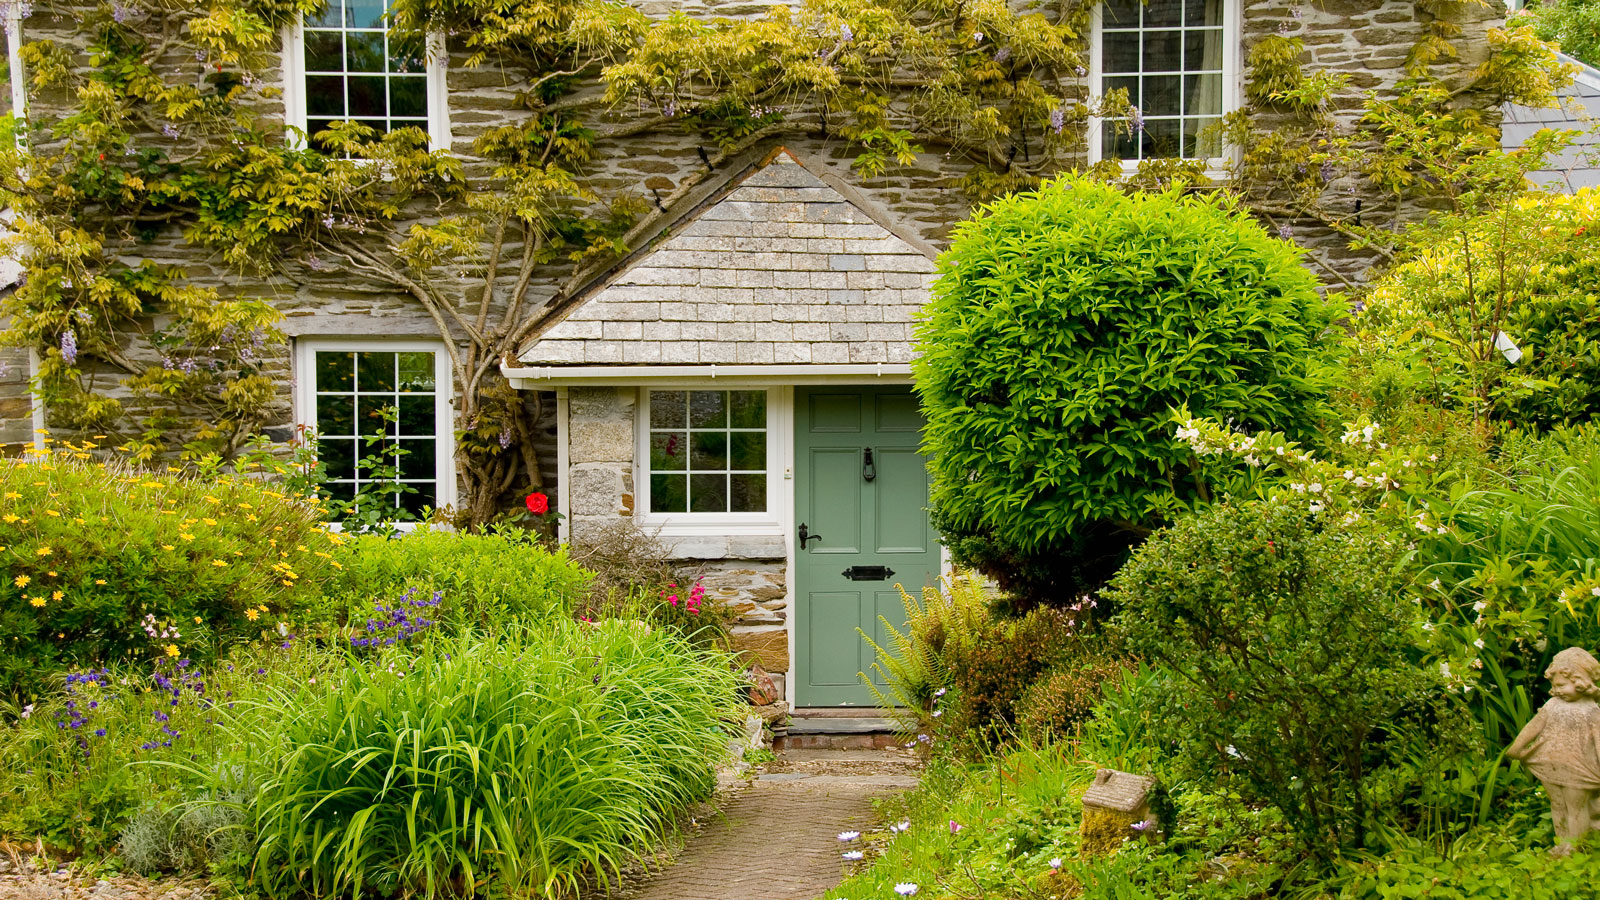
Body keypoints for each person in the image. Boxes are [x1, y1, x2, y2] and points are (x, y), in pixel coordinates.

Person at [1507, 646, 1600, 856]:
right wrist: (1517, 748)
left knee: (1576, 807)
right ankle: (1561, 843)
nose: (1556, 690)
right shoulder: (1552, 705)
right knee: (1557, 805)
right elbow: (1534, 726)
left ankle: (1575, 847)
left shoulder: (1592, 711)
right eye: (1553, 686)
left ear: (1581, 682)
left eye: (1561, 685)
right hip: (1550, 764)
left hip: (1579, 769)